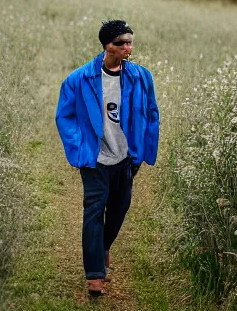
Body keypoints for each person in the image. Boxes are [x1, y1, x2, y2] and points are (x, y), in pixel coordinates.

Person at [55, 19, 159, 298]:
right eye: (121, 43)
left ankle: (102, 247)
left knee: (119, 208)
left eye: (130, 42)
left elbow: (151, 113)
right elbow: (64, 116)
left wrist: (144, 149)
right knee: (93, 211)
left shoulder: (141, 77)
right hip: (95, 159)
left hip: (127, 157)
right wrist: (79, 148)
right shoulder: (78, 79)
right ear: (107, 46)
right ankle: (95, 276)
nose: (128, 47)